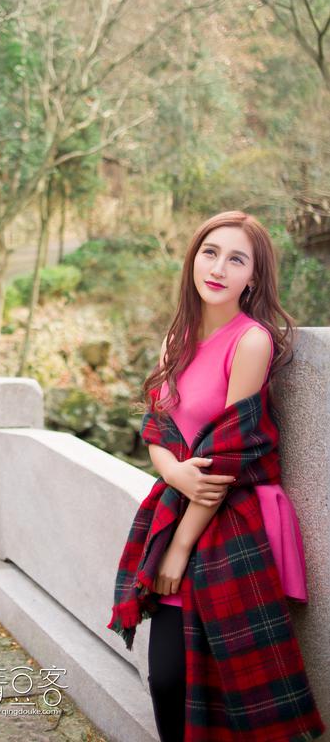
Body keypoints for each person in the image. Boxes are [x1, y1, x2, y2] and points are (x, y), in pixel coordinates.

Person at [106, 210, 325, 742]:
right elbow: (158, 429)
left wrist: (178, 549)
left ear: (253, 277)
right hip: (184, 500)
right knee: (165, 678)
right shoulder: (177, 337)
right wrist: (174, 473)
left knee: (220, 681)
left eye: (236, 259)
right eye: (210, 252)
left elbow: (228, 455)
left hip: (230, 520)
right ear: (193, 259)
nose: (219, 268)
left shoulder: (251, 341)